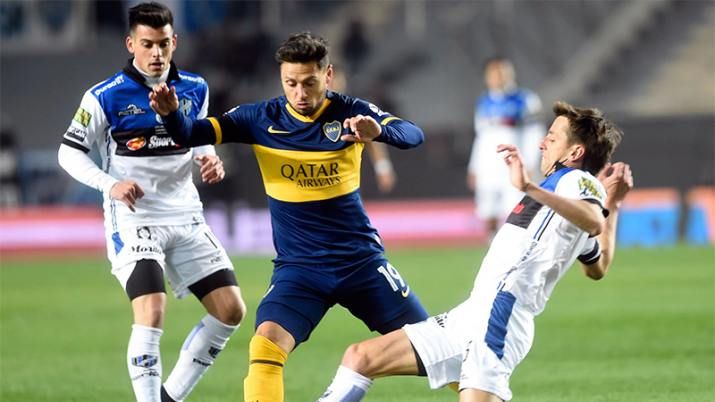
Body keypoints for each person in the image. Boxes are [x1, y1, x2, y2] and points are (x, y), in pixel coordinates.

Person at [149, 32, 429, 402]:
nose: (299, 93)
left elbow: (413, 134)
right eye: (290, 83)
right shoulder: (259, 118)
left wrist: (380, 131)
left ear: (328, 76)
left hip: (361, 264)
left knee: (436, 348)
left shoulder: (350, 112)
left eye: (309, 83)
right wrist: (171, 115)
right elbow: (189, 133)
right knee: (265, 344)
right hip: (300, 271)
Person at [317, 101, 633, 402]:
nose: (541, 143)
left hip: (502, 314)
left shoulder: (576, 179)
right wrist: (614, 206)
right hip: (471, 313)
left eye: (551, 138)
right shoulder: (565, 207)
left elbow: (593, 220)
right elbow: (597, 267)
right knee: (360, 358)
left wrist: (530, 187)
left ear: (575, 152)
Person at [56, 3, 246, 402]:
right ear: (131, 44)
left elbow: (196, 136)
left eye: (163, 43)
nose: (157, 53)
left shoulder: (195, 87)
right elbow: (68, 153)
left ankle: (169, 397)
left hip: (185, 213)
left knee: (231, 310)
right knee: (152, 310)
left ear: (175, 42)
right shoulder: (104, 96)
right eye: (147, 44)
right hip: (134, 217)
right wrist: (110, 184)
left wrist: (208, 157)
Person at [467, 57, 545, 239]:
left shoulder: (525, 99)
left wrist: (529, 163)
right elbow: (481, 137)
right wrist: (474, 166)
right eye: (493, 73)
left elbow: (535, 133)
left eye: (502, 73)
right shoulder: (484, 102)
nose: (498, 77)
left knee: (517, 210)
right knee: (488, 212)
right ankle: (491, 246)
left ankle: (518, 247)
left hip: (513, 165)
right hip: (488, 165)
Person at [330, 67, 396, 193]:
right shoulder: (308, 108)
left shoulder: (354, 108)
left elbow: (372, 139)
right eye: (330, 80)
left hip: (345, 174)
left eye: (336, 79)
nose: (333, 84)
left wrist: (383, 167)